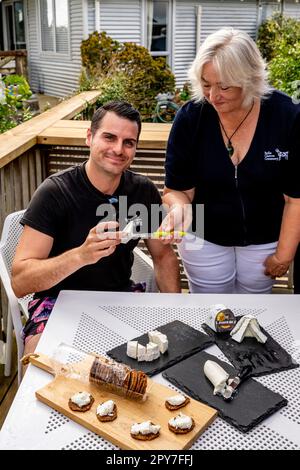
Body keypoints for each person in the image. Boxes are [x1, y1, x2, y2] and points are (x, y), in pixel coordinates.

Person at [11, 100, 181, 359]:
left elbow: (163, 255)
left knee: (158, 363)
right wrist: (81, 255)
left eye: (128, 142)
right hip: (57, 302)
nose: (118, 149)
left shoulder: (143, 191)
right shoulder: (54, 192)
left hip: (120, 296)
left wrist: (173, 314)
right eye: (109, 137)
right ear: (89, 137)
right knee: (41, 366)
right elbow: (20, 282)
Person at [159, 28, 300, 294]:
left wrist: (283, 256)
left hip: (265, 237)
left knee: (254, 311)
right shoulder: (191, 118)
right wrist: (179, 208)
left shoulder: (287, 117)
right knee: (209, 311)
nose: (213, 96)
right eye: (206, 84)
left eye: (224, 86)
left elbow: (296, 197)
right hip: (203, 237)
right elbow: (177, 190)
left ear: (250, 80)